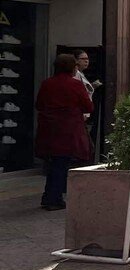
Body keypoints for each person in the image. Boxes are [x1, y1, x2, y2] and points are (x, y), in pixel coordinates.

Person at [34, 54, 93, 211]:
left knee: (53, 163)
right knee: (62, 163)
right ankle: (54, 198)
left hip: (49, 129)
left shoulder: (47, 84)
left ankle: (49, 196)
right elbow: (88, 106)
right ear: (71, 67)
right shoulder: (75, 85)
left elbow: (39, 104)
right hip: (68, 130)